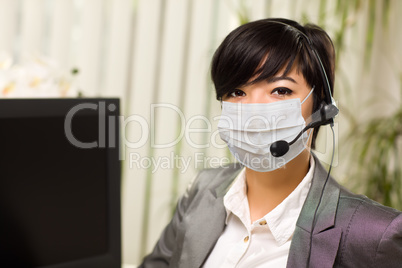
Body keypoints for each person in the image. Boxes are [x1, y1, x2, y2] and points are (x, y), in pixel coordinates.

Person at [139, 18, 402, 268]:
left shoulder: (374, 233)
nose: (253, 110)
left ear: (321, 106)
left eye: (280, 90)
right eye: (237, 92)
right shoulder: (202, 189)